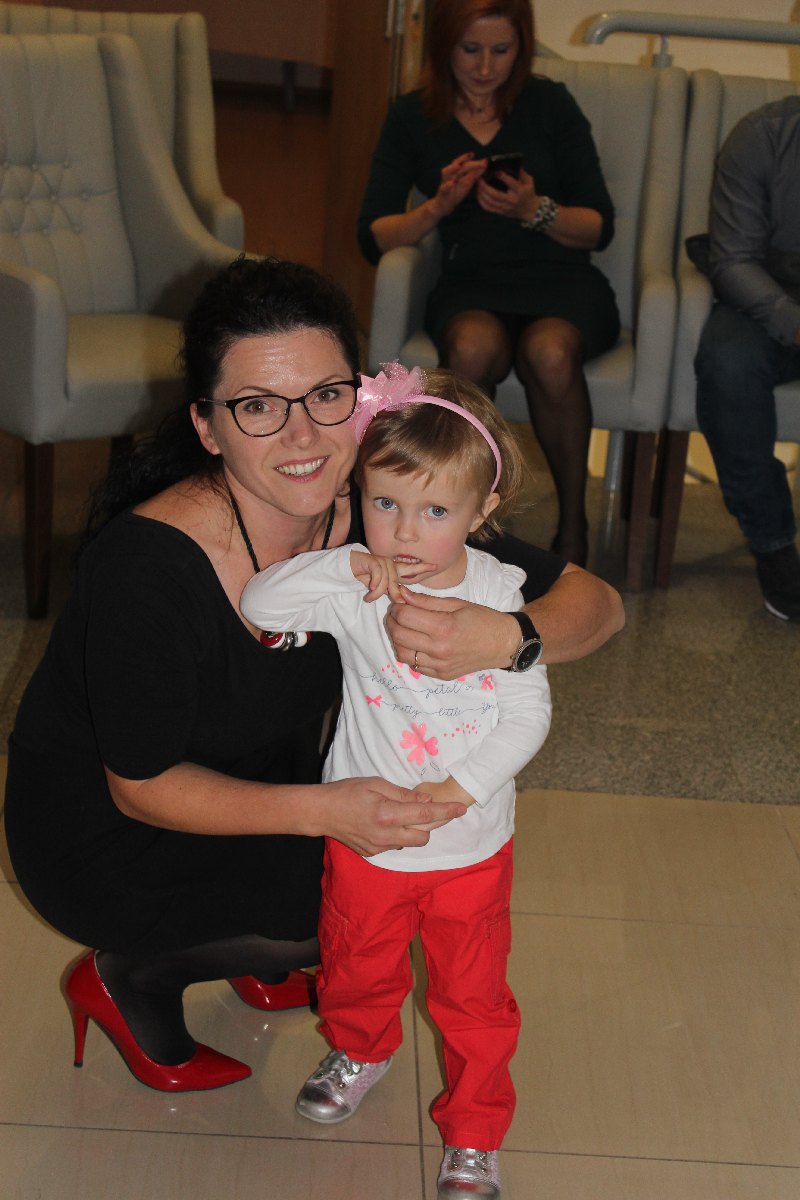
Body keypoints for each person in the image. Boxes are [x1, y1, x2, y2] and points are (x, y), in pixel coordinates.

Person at [3, 256, 623, 1098]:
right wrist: (330, 813)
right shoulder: (146, 568)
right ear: (208, 427)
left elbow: (598, 606)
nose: (302, 437)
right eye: (258, 406)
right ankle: (132, 975)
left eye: (326, 395)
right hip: (109, 832)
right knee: (354, 906)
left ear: (361, 400)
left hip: (260, 776)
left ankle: (253, 949)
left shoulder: (385, 512)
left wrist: (510, 637)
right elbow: (141, 785)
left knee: (412, 872)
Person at [241, 365, 551, 1200]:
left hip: (469, 847)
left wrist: (458, 792)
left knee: (473, 1001)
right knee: (354, 968)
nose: (405, 533)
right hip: (367, 840)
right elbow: (263, 605)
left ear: (482, 511)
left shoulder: (498, 596)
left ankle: (475, 1132)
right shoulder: (356, 584)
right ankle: (362, 1048)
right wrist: (342, 570)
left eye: (435, 512)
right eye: (385, 503)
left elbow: (528, 717)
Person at [358, 0, 619, 568]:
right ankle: (456, 518)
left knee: (550, 353)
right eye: (470, 49)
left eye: (501, 50)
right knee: (472, 348)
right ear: (443, 46)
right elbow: (374, 234)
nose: (484, 67)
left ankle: (573, 526)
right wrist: (439, 205)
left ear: (521, 47)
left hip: (562, 282)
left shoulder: (550, 104)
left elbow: (599, 225)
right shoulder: (413, 115)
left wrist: (534, 209)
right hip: (471, 283)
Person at [694, 95, 800, 622]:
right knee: (727, 364)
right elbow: (733, 259)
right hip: (769, 294)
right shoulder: (762, 135)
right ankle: (773, 544)